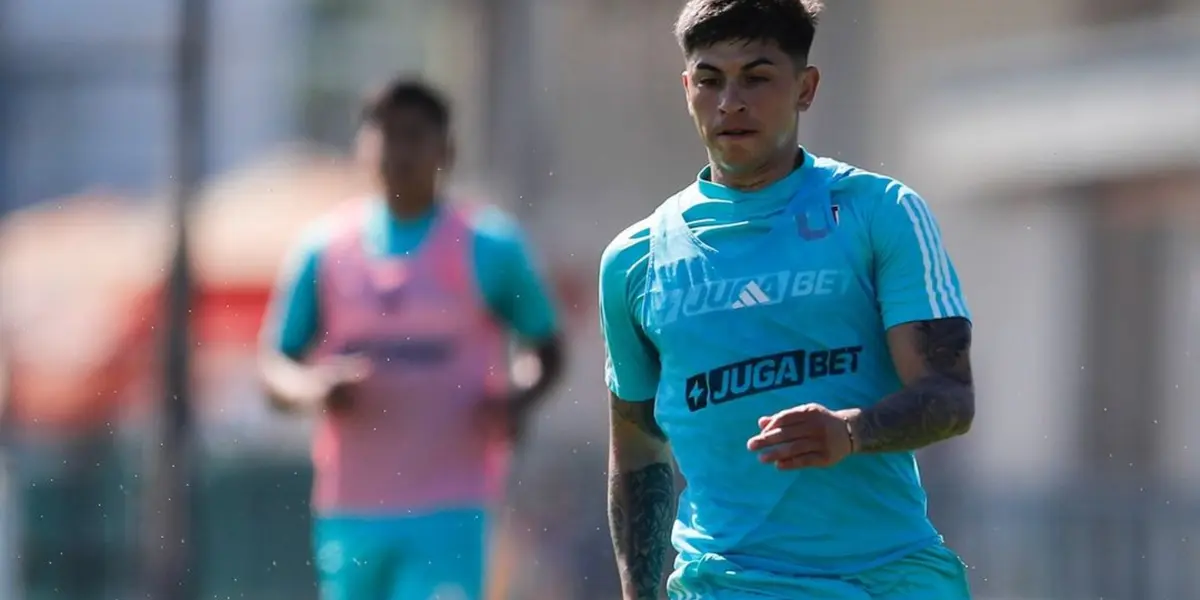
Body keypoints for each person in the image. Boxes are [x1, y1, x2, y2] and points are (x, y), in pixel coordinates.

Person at [599, 1, 976, 598]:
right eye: (710, 80)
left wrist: (851, 431)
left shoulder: (880, 213)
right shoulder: (634, 259)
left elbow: (951, 397)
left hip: (886, 580)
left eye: (756, 77)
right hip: (725, 583)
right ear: (687, 89)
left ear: (806, 87)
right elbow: (639, 449)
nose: (730, 103)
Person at [259, 77, 564, 600]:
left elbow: (545, 346)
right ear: (361, 147)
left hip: (452, 505)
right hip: (351, 509)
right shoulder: (324, 250)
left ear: (446, 150)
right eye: (384, 133)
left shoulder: (489, 246)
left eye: (414, 135)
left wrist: (518, 395)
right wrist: (313, 389)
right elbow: (275, 366)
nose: (398, 150)